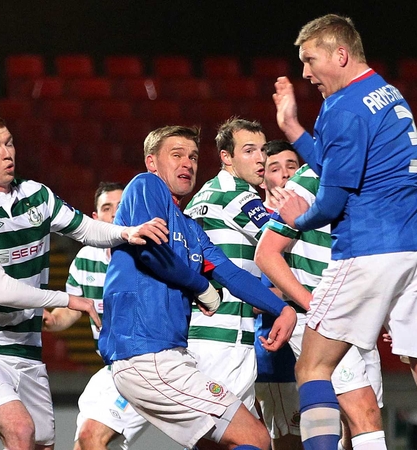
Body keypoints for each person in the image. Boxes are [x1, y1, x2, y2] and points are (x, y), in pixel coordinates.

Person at [271, 14, 417, 450]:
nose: (306, 73)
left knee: (313, 368)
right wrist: (293, 130)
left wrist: (297, 218)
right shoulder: (386, 92)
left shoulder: (341, 108)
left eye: (310, 59)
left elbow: (332, 201)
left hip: (370, 249)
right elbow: (343, 161)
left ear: (340, 55)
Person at [0, 113, 168, 450]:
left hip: (26, 347)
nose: (7, 153)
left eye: (9, 143)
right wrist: (68, 299)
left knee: (43, 442)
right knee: (20, 429)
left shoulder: (36, 196)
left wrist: (127, 232)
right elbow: (0, 290)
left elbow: (86, 229)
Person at [99, 125, 297, 450]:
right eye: (176, 155)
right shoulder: (145, 186)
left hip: (167, 356)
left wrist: (282, 308)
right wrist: (201, 285)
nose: (187, 163)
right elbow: (151, 251)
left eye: (192, 156)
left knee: (221, 443)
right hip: (145, 353)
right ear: (152, 162)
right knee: (256, 437)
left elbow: (232, 275)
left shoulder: (190, 227)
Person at [255, 141, 386, 450]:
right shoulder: (306, 184)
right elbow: (265, 256)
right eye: (275, 168)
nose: (285, 174)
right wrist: (314, 304)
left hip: (355, 317)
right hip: (317, 319)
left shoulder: (363, 188)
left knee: (360, 424)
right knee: (361, 411)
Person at [43, 181, 151, 450]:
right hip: (112, 368)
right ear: (95, 219)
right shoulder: (86, 258)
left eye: (121, 205)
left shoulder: (151, 254)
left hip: (146, 365)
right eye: (106, 207)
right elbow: (69, 311)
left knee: (92, 438)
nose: (114, 213)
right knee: (83, 445)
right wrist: (49, 318)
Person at [183, 117, 270, 415]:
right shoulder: (237, 195)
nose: (261, 159)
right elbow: (283, 243)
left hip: (204, 332)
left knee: (230, 435)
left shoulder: (203, 195)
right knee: (233, 434)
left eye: (263, 150)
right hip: (226, 337)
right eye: (249, 151)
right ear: (226, 157)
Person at [252, 140, 304, 450]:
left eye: (292, 166)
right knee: (290, 442)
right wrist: (300, 295)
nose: (285, 175)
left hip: (320, 342)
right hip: (278, 354)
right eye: (275, 168)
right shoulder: (256, 228)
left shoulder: (316, 218)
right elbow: (249, 293)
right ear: (264, 179)